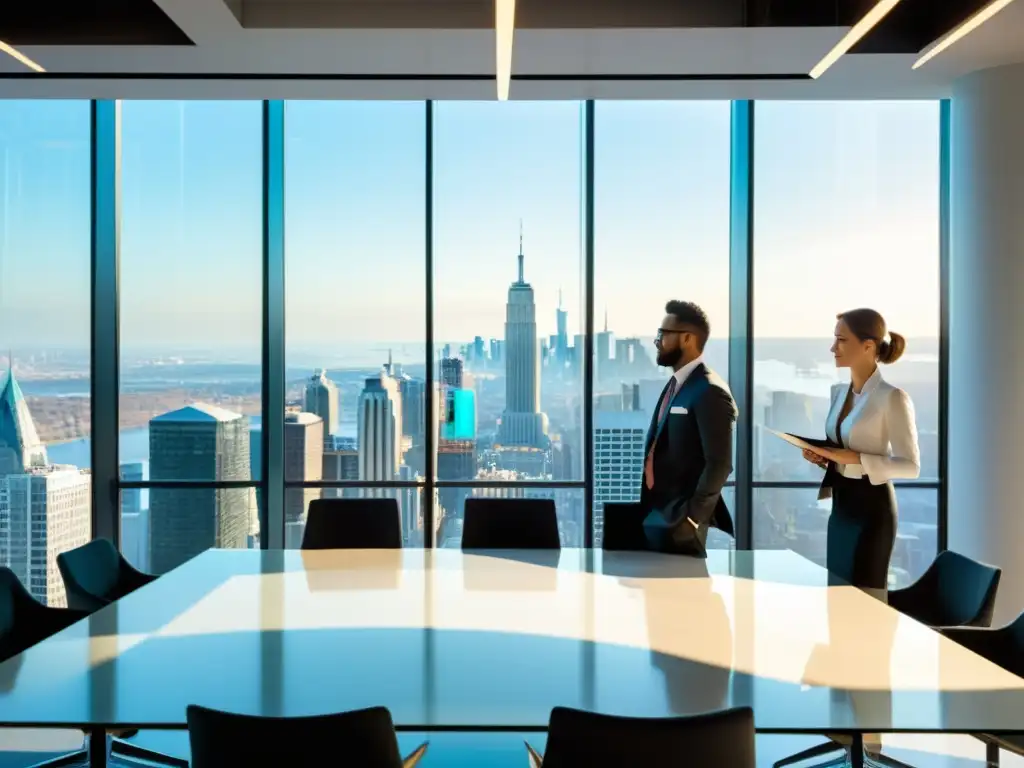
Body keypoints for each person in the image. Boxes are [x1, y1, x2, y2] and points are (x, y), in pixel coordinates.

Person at [802, 308, 921, 597]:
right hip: (841, 507)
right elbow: (841, 449)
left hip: (872, 510)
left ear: (868, 345)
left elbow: (911, 466)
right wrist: (823, 457)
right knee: (838, 597)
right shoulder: (838, 392)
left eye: (842, 340)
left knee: (866, 603)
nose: (833, 347)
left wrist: (857, 460)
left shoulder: (892, 397)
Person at [640, 301, 736, 556]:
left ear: (687, 339)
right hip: (659, 515)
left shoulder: (709, 391)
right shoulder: (678, 385)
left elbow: (720, 463)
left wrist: (693, 520)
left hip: (680, 522)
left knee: (682, 592)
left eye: (663, 334)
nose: (657, 341)